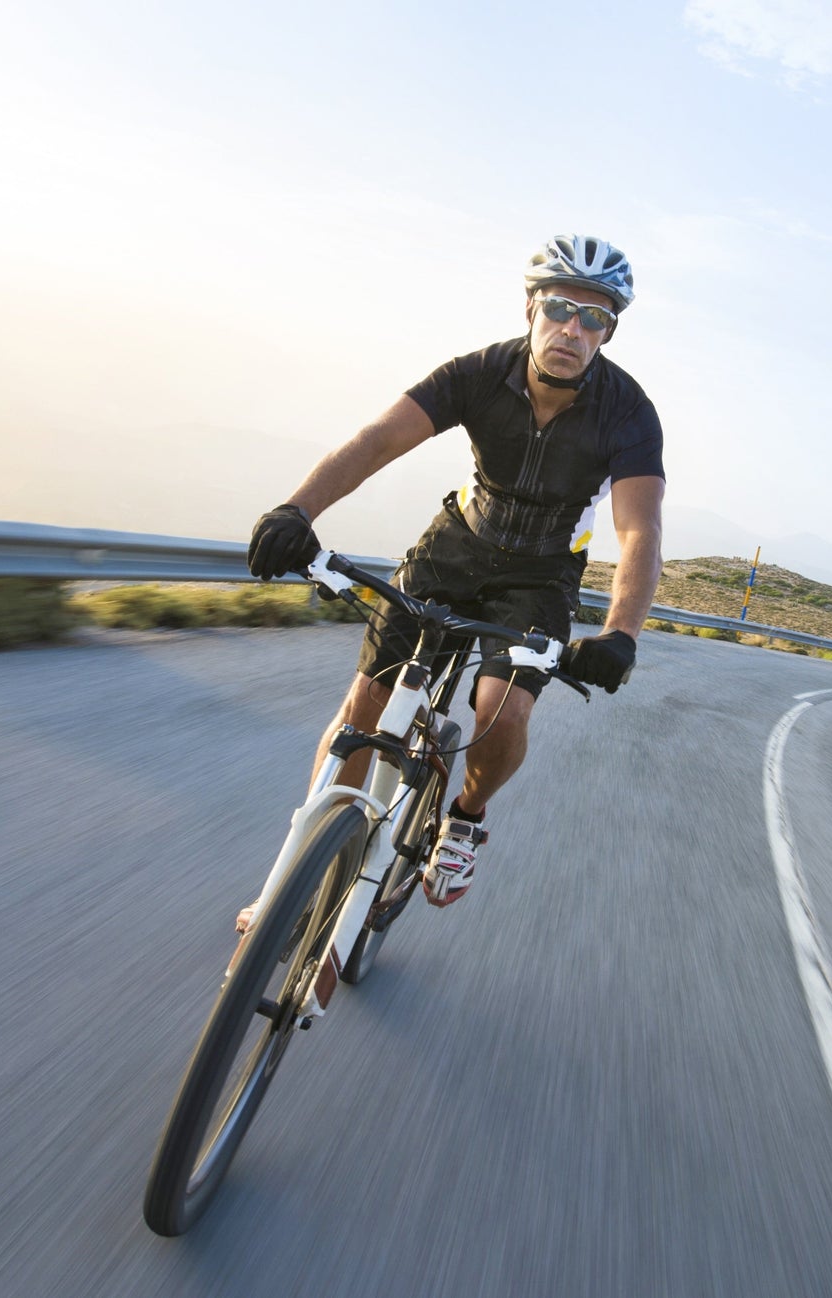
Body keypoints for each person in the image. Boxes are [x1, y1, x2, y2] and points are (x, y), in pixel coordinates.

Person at [244, 234, 665, 911]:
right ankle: (300, 874)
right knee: (365, 707)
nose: (573, 330)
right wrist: (297, 509)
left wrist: (622, 634)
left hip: (542, 573)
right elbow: (377, 441)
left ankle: (464, 817)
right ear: (530, 307)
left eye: (595, 318)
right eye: (560, 308)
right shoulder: (475, 374)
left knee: (501, 710)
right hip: (457, 545)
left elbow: (639, 528)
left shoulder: (630, 412)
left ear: (609, 331)